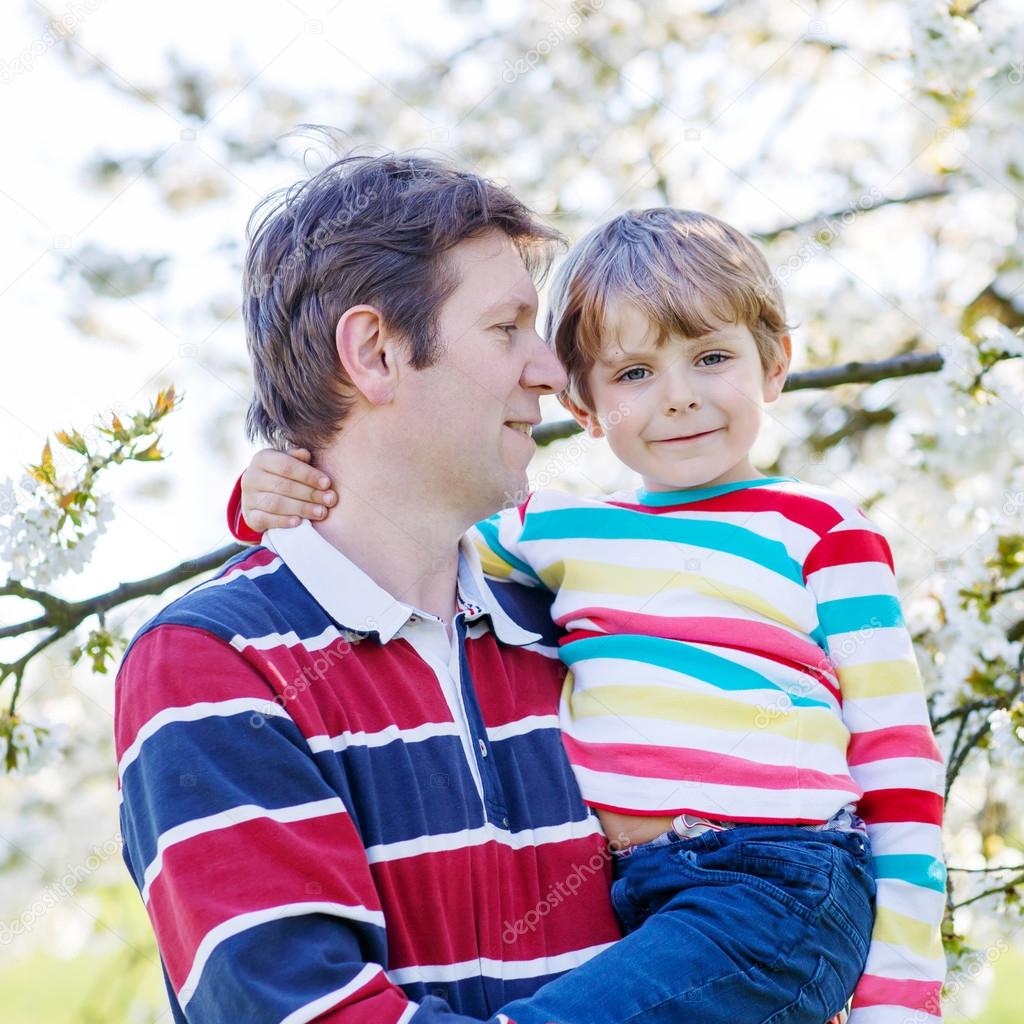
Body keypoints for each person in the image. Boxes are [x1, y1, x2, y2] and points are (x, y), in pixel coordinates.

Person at [238, 207, 947, 1024]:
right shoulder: (555, 532)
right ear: (582, 404)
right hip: (636, 893)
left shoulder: (824, 531)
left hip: (776, 887)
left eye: (712, 358)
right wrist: (272, 492)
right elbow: (398, 524)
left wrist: (901, 997)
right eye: (634, 374)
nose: (678, 399)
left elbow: (899, 758)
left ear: (775, 364)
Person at [114, 152, 629, 1024]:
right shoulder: (213, 669)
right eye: (508, 330)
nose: (551, 371)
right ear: (377, 353)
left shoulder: (577, 622)